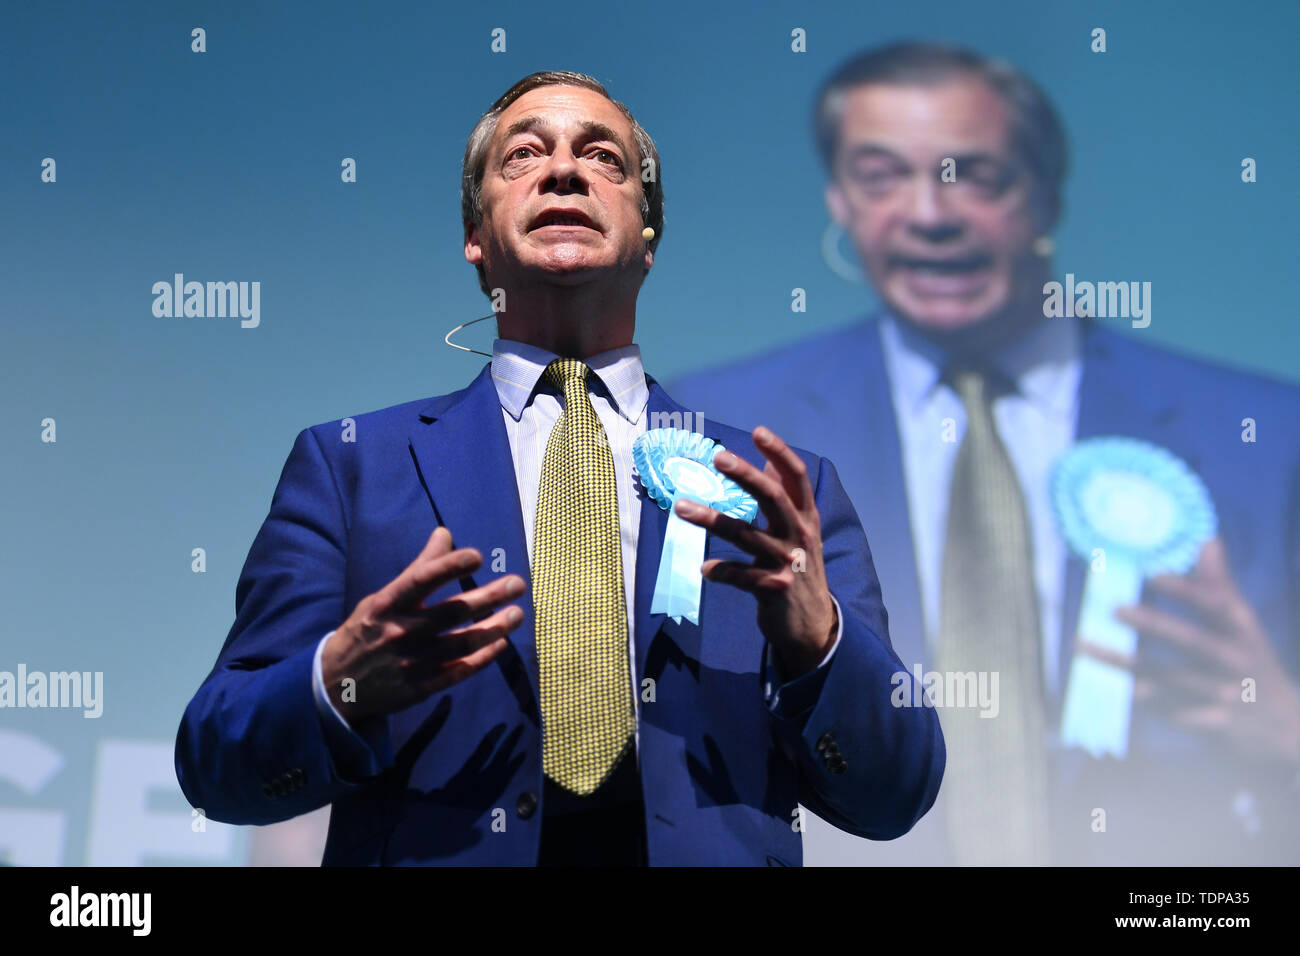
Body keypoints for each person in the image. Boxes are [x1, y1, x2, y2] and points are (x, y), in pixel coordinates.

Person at [174, 70, 945, 867]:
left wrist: (820, 647)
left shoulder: (782, 491)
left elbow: (896, 792)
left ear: (648, 238)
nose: (565, 169)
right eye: (524, 154)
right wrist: (339, 681)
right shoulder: (349, 469)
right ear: (475, 236)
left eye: (605, 157)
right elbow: (216, 763)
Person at [671, 43, 1300, 866]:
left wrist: (1286, 732)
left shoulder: (1268, 435)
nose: (931, 213)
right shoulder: (715, 431)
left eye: (975, 174)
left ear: (1046, 194)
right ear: (839, 201)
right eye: (881, 176)